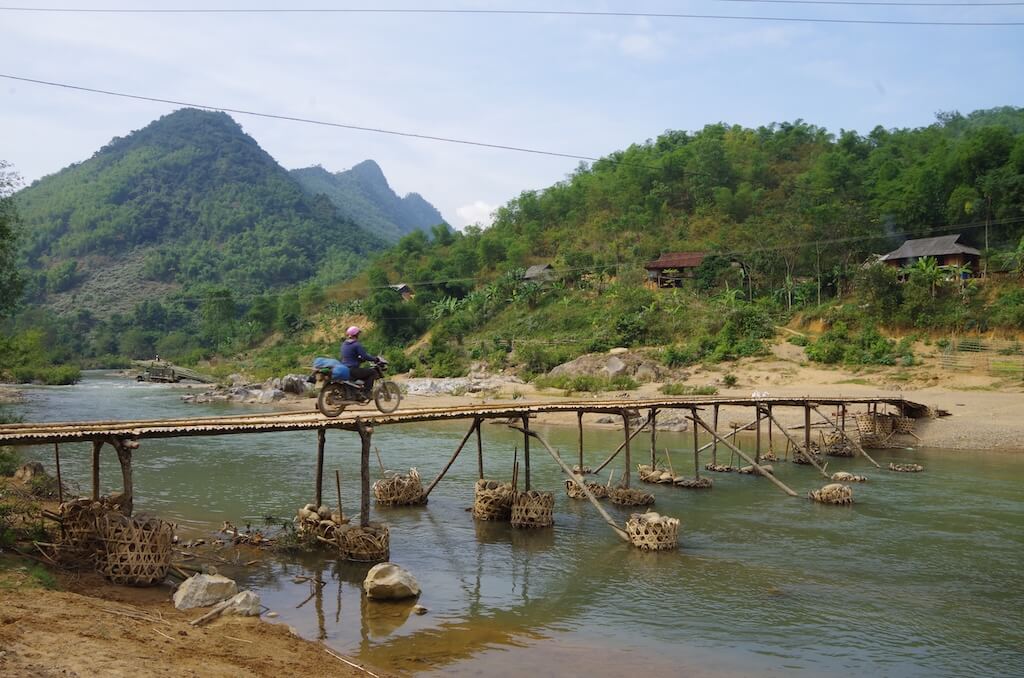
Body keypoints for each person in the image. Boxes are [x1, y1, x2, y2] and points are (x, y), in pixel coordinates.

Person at [340, 326, 379, 392]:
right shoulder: (356, 344)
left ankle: (359, 389)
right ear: (356, 334)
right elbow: (365, 356)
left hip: (344, 369)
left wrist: (359, 360)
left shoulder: (344, 344)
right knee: (372, 372)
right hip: (352, 370)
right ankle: (367, 392)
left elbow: (350, 356)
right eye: (358, 334)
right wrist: (375, 359)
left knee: (363, 372)